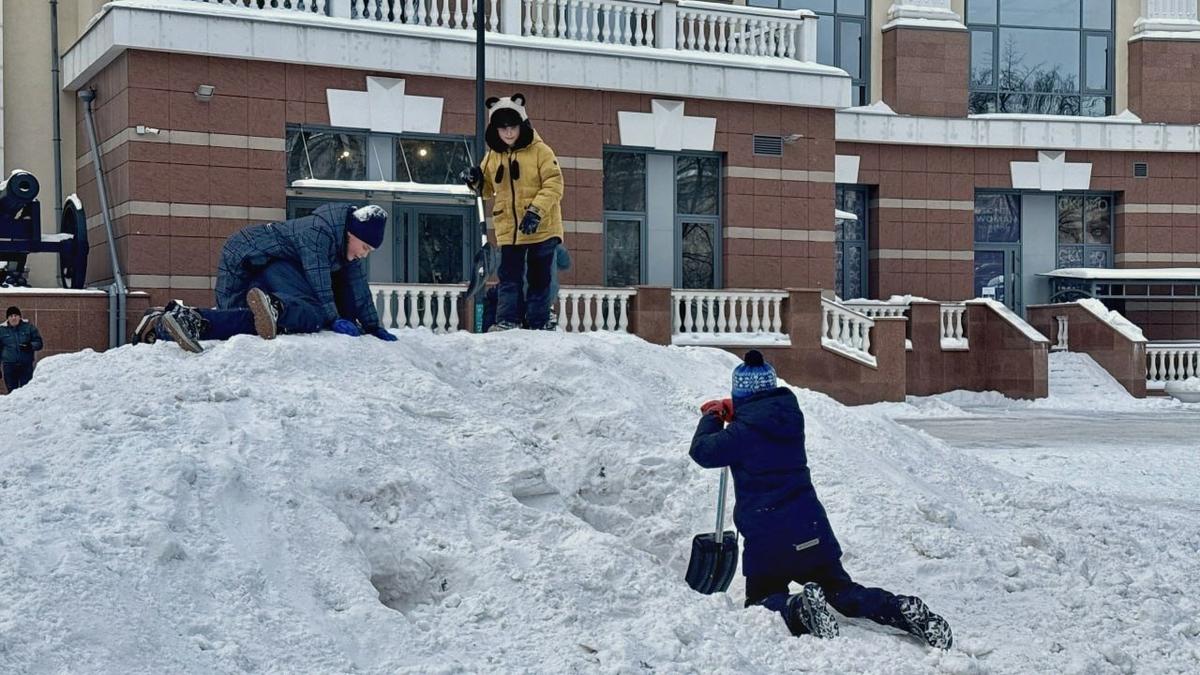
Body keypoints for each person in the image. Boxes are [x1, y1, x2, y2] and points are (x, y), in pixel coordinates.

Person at [689, 350, 953, 648]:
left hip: (769, 537)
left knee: (761, 600)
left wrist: (712, 416)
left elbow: (703, 451)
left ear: (740, 395)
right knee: (842, 592)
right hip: (811, 527)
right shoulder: (790, 416)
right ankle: (900, 610)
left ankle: (799, 609)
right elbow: (762, 417)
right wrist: (739, 409)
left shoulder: (740, 434)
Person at [133, 203, 399, 353]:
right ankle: (277, 306)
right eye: (365, 247)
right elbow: (319, 280)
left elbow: (358, 286)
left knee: (246, 321)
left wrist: (373, 325)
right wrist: (334, 318)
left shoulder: (343, 249)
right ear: (351, 235)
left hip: (265, 265)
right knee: (312, 312)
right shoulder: (318, 232)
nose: (365, 255)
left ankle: (171, 322)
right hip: (248, 260)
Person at [462, 93, 564, 331]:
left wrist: (535, 212)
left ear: (522, 125)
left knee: (539, 278)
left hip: (541, 228)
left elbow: (554, 184)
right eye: (503, 128)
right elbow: (486, 189)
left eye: (513, 127)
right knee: (509, 277)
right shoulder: (492, 157)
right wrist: (474, 179)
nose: (508, 133)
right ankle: (508, 319)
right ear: (495, 130)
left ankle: (538, 321)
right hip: (510, 230)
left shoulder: (541, 152)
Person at [0, 306, 43, 392]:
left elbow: (39, 343)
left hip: (26, 365)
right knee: (12, 393)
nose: (13, 318)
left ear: (20, 317)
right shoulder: (1, 330)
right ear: (7, 318)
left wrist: (30, 346)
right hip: (9, 366)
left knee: (26, 392)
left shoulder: (29, 328)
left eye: (16, 315)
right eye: (11, 316)